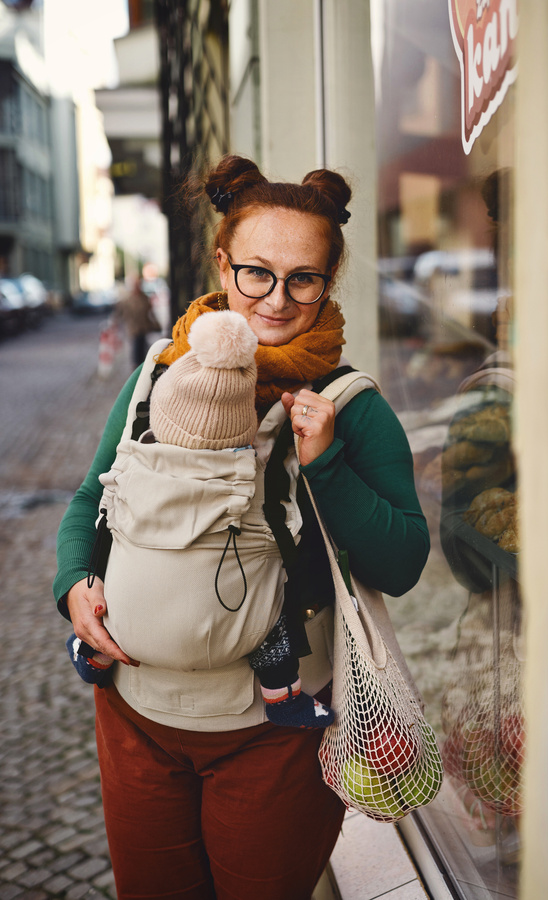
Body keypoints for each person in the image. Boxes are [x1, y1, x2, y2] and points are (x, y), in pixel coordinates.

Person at [54, 154, 430, 900]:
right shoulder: (159, 370)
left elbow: (403, 562)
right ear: (224, 265)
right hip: (135, 714)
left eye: (303, 279)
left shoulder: (351, 404)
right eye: (257, 272)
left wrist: (326, 466)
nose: (277, 300)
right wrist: (72, 585)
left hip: (274, 735)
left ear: (328, 283)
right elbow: (88, 500)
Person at [65, 309, 334, 729]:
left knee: (111, 584)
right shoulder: (251, 472)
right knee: (272, 617)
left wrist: (75, 580)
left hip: (125, 627)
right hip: (235, 639)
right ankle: (284, 699)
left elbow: (97, 505)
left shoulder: (137, 459)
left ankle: (91, 654)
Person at [115, 275, 161, 368]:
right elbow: (120, 313)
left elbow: (151, 313)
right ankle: (136, 369)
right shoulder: (127, 300)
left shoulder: (144, 298)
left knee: (144, 350)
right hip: (133, 329)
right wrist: (115, 322)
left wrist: (157, 325)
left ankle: (143, 367)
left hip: (143, 328)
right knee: (136, 352)